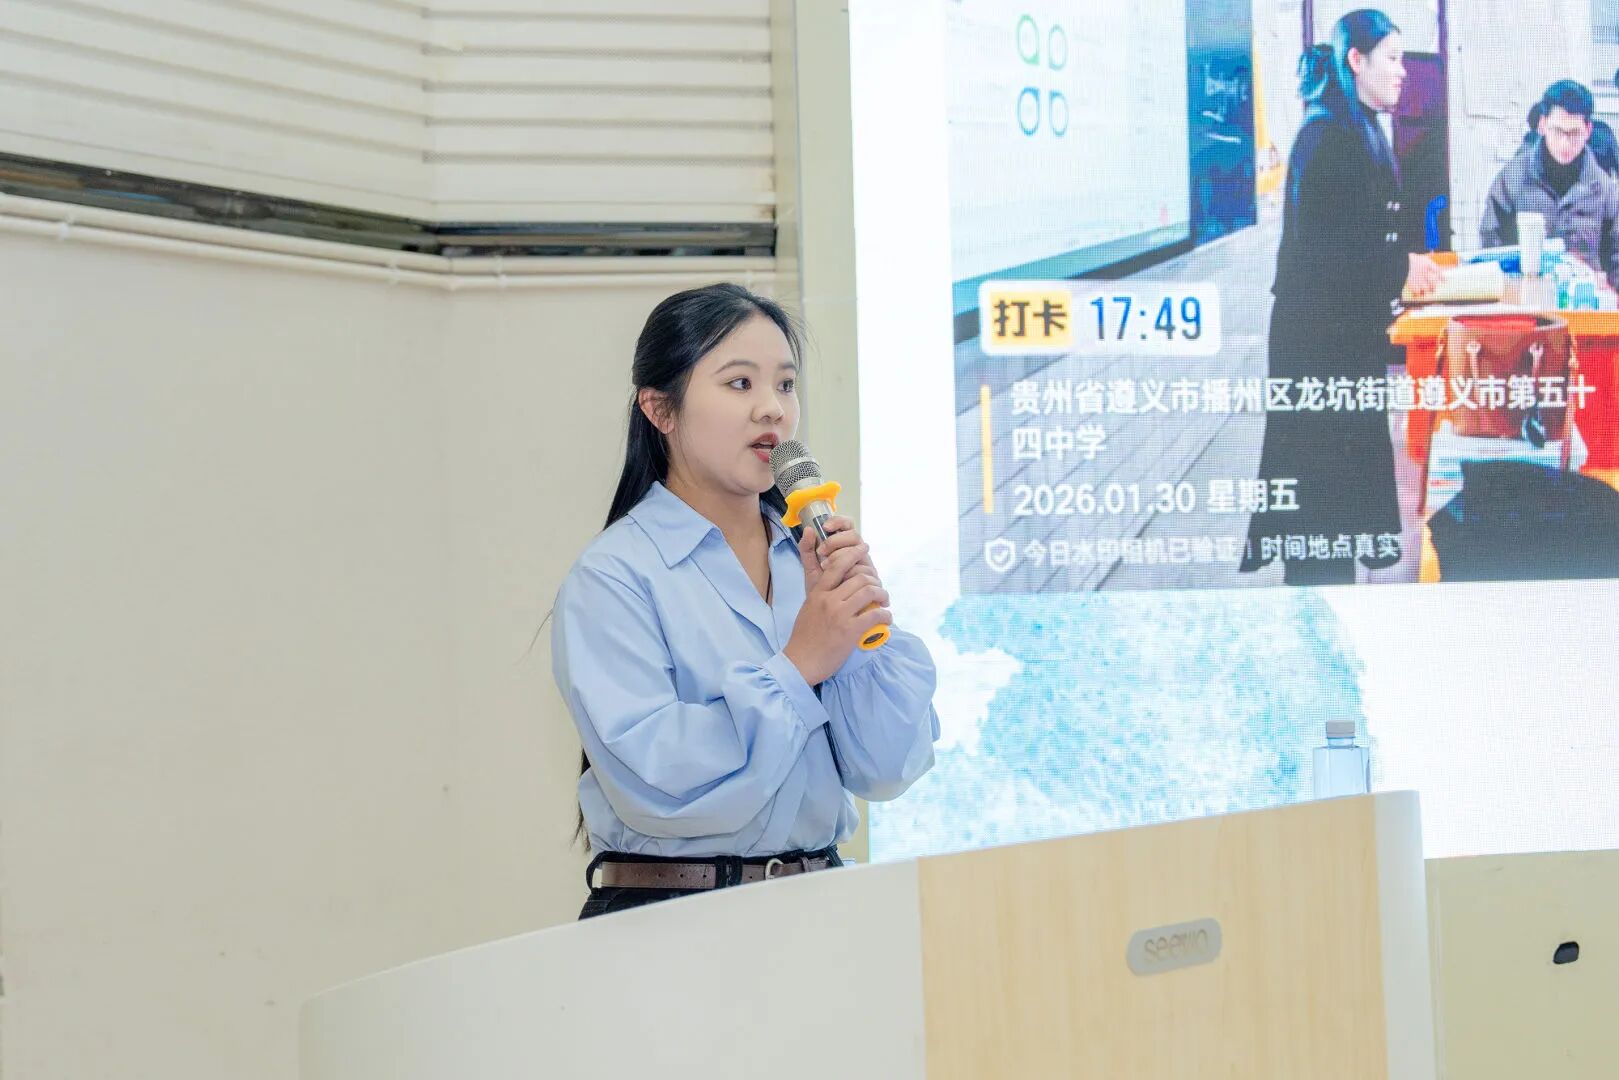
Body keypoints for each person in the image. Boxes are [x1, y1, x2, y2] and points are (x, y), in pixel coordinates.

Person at [552, 283, 940, 920]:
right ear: (660, 409)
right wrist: (800, 664)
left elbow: (887, 768)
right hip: (670, 918)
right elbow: (660, 786)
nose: (773, 410)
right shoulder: (614, 577)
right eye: (740, 384)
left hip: (822, 907)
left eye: (786, 385)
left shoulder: (809, 558)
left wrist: (858, 634)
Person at [1242, 10, 1444, 586]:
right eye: (1392, 59)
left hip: (1340, 345)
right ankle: (1316, 621)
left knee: (1337, 505)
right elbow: (1331, 253)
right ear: (1356, 60)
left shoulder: (1351, 125)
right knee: (1319, 506)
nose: (1403, 72)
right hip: (1318, 351)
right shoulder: (1328, 134)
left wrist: (1402, 264)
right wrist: (1402, 265)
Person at [1480, 80, 1619, 285]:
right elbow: (1490, 244)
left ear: (1588, 130)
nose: (1565, 143)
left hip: (1583, 299)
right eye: (1557, 131)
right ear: (1543, 125)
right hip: (1525, 297)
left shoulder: (1604, 189)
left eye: (1574, 133)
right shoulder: (1514, 177)